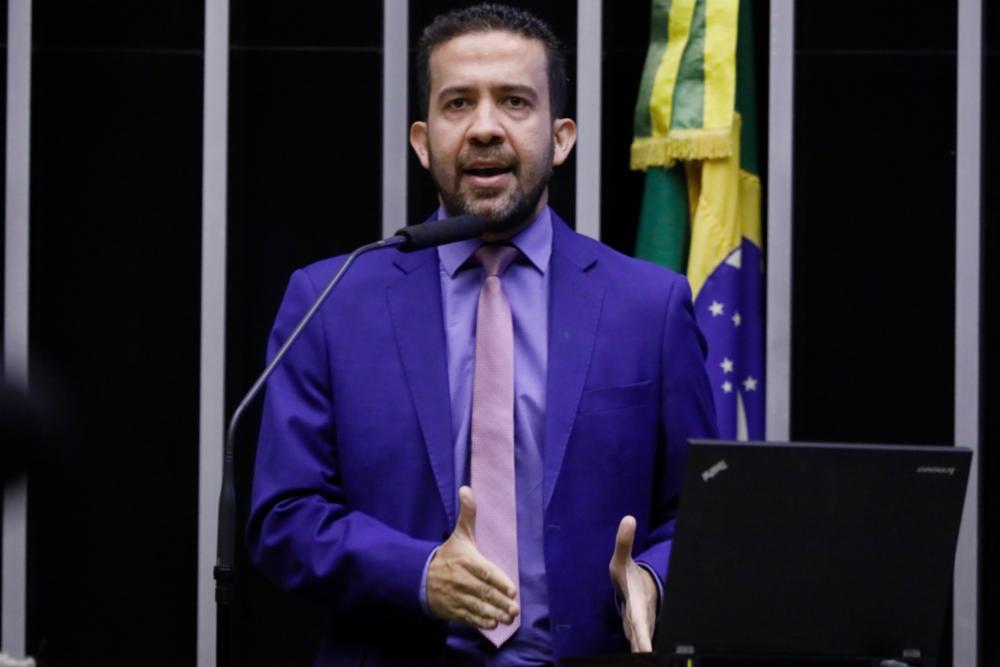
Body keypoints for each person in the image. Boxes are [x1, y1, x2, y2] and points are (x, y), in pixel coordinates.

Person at [247, 4, 717, 665]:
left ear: (561, 138)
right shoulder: (331, 301)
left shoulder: (650, 306)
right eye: (458, 103)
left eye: (515, 102)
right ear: (422, 141)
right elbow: (284, 516)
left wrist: (654, 580)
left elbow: (702, 512)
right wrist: (419, 573)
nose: (485, 127)